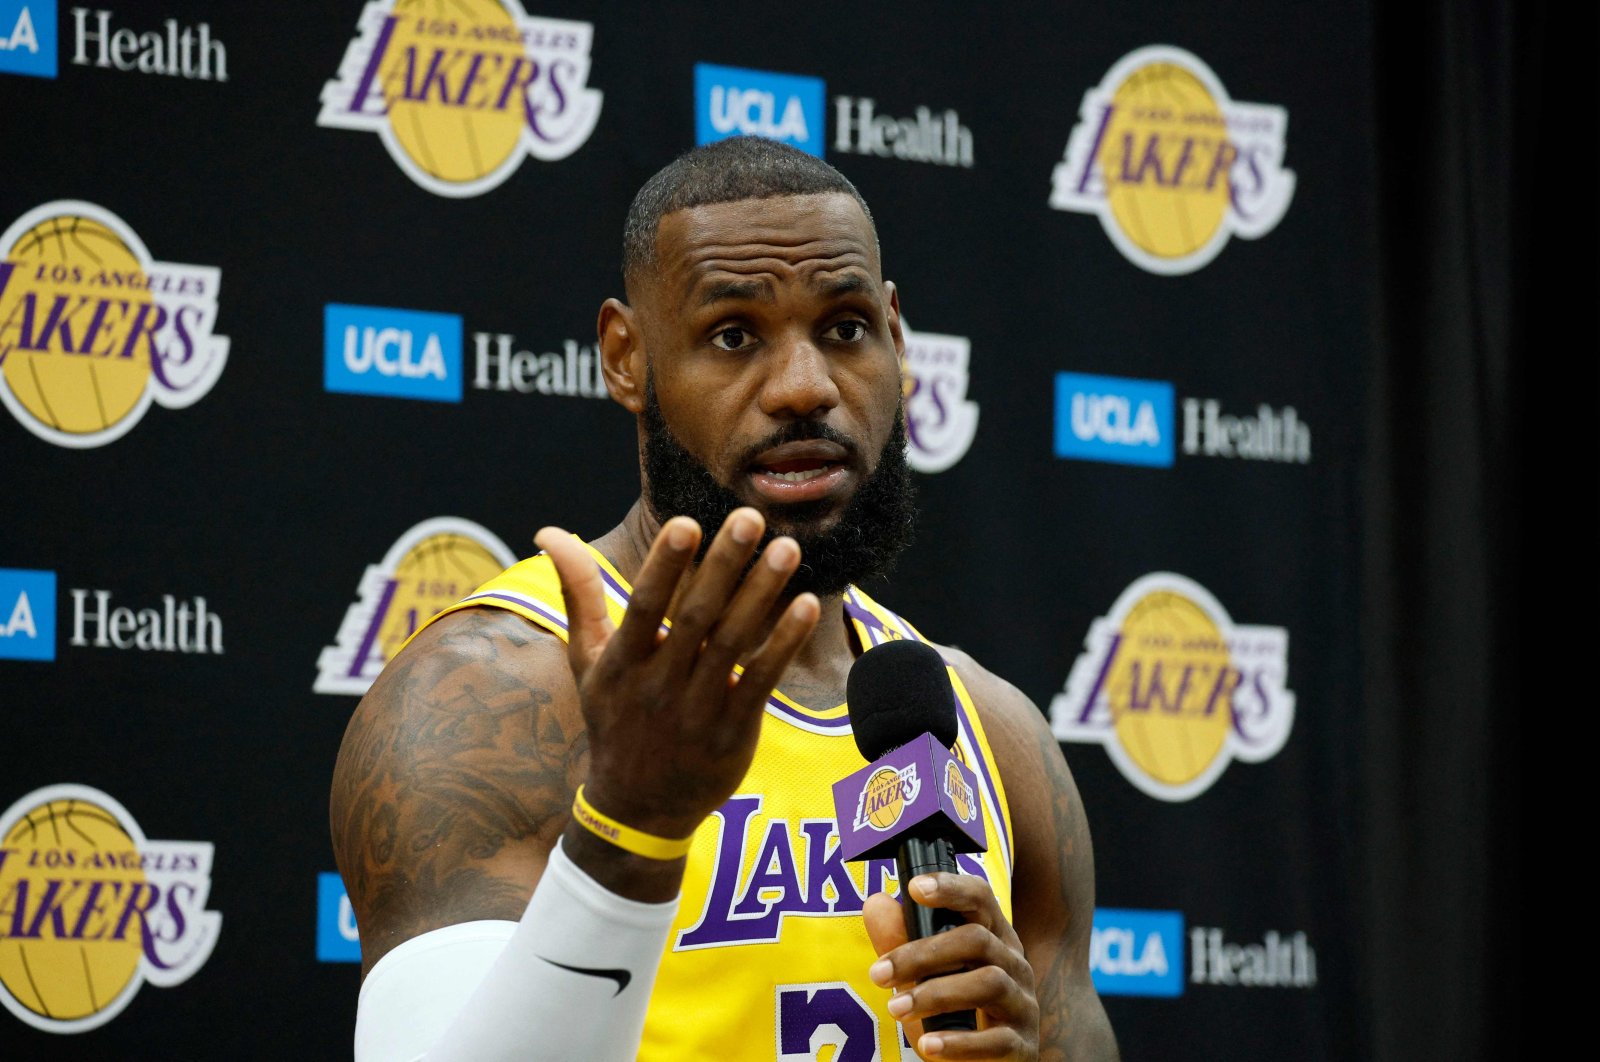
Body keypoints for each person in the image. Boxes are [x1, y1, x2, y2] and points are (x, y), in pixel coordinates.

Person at [330, 135, 1118, 1062]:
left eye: (845, 328)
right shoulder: (486, 698)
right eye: (734, 335)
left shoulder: (989, 730)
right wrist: (629, 832)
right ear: (627, 357)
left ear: (897, 337)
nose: (805, 387)